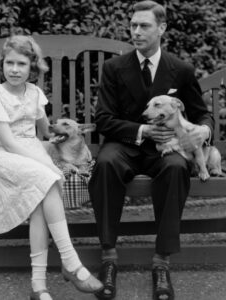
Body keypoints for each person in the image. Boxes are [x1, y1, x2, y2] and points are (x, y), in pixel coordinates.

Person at [0, 35, 103, 300]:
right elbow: (10, 143)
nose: (14, 69)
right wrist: (44, 162)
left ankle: (39, 285)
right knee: (45, 177)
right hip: (2, 154)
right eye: (9, 63)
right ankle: (71, 262)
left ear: (32, 66)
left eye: (21, 64)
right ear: (2, 65)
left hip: (30, 151)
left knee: (39, 201)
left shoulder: (34, 93)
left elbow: (45, 131)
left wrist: (62, 137)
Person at [88, 1, 214, 300]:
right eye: (133, 25)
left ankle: (161, 262)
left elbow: (201, 113)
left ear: (162, 28)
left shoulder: (181, 70)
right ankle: (108, 259)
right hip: (126, 145)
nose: (136, 31)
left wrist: (204, 130)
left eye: (144, 25)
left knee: (176, 168)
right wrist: (142, 130)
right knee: (105, 164)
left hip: (168, 146)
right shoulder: (113, 68)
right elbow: (103, 119)